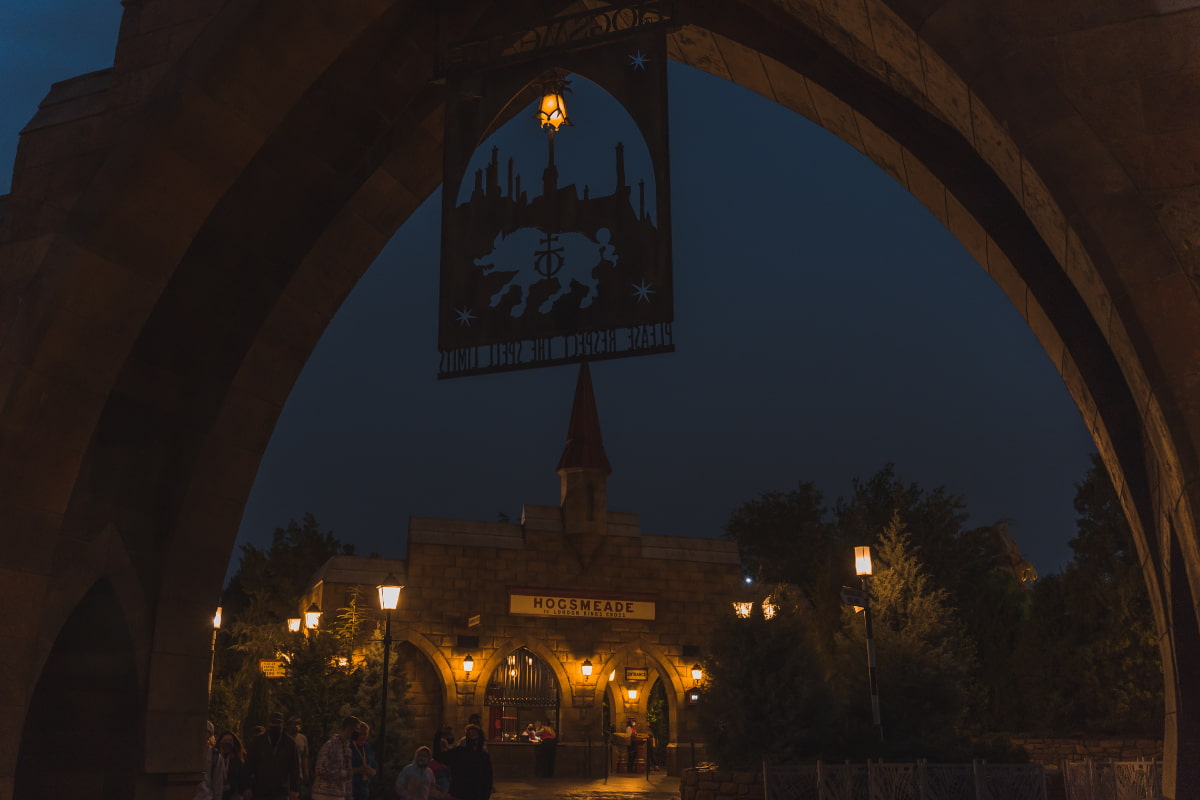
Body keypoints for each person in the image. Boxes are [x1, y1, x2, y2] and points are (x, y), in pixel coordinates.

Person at [243, 711, 301, 800]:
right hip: (260, 791)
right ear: (268, 723)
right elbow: (249, 765)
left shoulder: (290, 743)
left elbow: (295, 768)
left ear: (283, 724)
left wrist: (294, 789)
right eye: (273, 722)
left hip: (281, 791)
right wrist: (247, 787)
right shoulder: (258, 742)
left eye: (278, 722)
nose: (276, 725)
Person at [311, 715, 363, 800]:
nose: (358, 732)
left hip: (339, 795)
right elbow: (320, 770)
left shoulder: (347, 748)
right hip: (325, 794)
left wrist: (349, 796)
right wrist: (344, 773)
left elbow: (348, 777)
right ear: (350, 728)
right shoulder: (331, 745)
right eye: (356, 729)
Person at [445, 725, 492, 800]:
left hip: (476, 794)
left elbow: (487, 777)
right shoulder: (459, 752)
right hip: (459, 793)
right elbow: (440, 756)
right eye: (470, 735)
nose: (472, 738)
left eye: (474, 735)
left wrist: (485, 795)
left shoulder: (483, 756)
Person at [215, 731, 250, 800]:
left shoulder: (238, 761)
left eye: (230, 740)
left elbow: (243, 779)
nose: (227, 742)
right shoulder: (214, 759)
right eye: (225, 740)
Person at [349, 722, 378, 800]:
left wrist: (370, 771)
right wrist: (358, 770)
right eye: (360, 734)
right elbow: (341, 770)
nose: (363, 736)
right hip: (349, 790)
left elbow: (374, 769)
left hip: (363, 790)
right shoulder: (348, 747)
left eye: (365, 734)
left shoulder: (367, 747)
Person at [285, 717, 310, 785]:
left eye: (299, 724)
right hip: (285, 776)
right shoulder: (283, 738)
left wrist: (306, 774)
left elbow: (304, 758)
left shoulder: (303, 738)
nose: (297, 726)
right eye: (295, 724)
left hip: (298, 776)